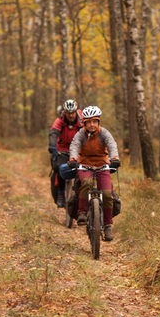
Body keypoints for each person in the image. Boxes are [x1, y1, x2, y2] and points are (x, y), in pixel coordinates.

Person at [68, 105, 120, 241]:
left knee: (108, 194)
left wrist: (114, 158)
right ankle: (83, 213)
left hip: (102, 165)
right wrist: (73, 158)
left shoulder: (104, 133)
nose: (92, 124)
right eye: (89, 122)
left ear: (98, 122)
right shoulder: (80, 134)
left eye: (94, 121)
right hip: (85, 164)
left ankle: (108, 225)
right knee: (86, 182)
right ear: (84, 123)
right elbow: (74, 145)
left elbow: (112, 144)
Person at [48, 99, 83, 207]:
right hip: (62, 149)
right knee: (59, 167)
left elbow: (86, 131)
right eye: (69, 113)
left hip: (77, 149)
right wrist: (52, 146)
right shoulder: (60, 120)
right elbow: (54, 132)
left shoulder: (81, 119)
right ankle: (61, 194)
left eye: (73, 113)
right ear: (65, 113)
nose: (71, 115)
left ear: (76, 111)